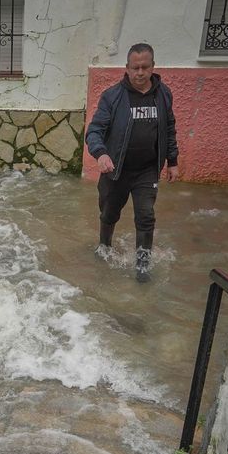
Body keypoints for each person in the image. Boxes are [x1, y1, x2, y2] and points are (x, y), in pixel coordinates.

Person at [85, 43, 178, 282]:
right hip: (116, 169)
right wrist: (101, 153)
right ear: (126, 68)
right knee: (108, 213)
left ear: (153, 67)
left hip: (147, 170)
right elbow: (95, 130)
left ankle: (143, 265)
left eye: (145, 67)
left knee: (146, 216)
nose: (140, 72)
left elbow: (169, 129)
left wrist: (173, 161)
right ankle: (104, 247)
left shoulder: (163, 94)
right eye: (135, 67)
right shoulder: (113, 96)